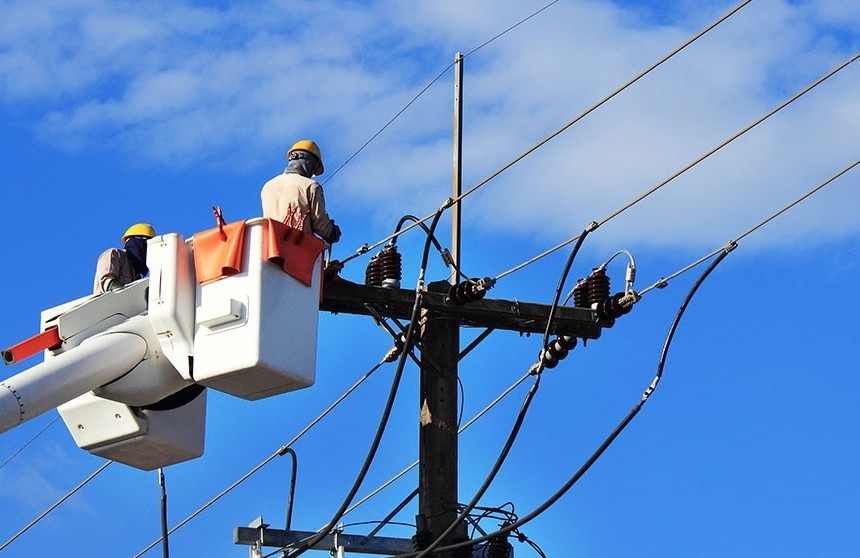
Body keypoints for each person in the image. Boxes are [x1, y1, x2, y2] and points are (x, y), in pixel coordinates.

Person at [261, 139, 342, 245]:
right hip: (298, 251)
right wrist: (333, 233)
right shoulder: (311, 186)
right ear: (310, 163)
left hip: (270, 248)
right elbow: (320, 225)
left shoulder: (268, 186)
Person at [93, 223, 157, 294]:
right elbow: (107, 282)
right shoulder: (115, 254)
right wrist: (126, 294)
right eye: (145, 242)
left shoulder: (137, 275)